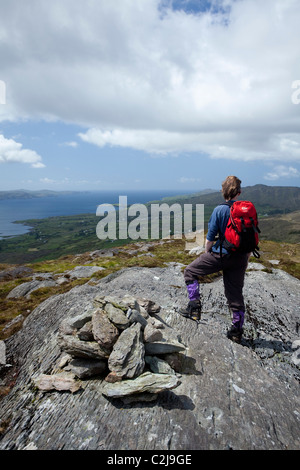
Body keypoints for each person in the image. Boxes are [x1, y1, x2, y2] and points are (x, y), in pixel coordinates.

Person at [179, 175, 250, 343]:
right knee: (235, 295)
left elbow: (210, 237)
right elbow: (251, 239)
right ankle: (236, 331)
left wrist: (207, 253)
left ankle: (194, 308)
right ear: (239, 193)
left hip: (221, 254)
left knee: (190, 272)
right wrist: (245, 259)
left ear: (222, 192)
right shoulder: (247, 212)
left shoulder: (220, 210)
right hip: (240, 258)